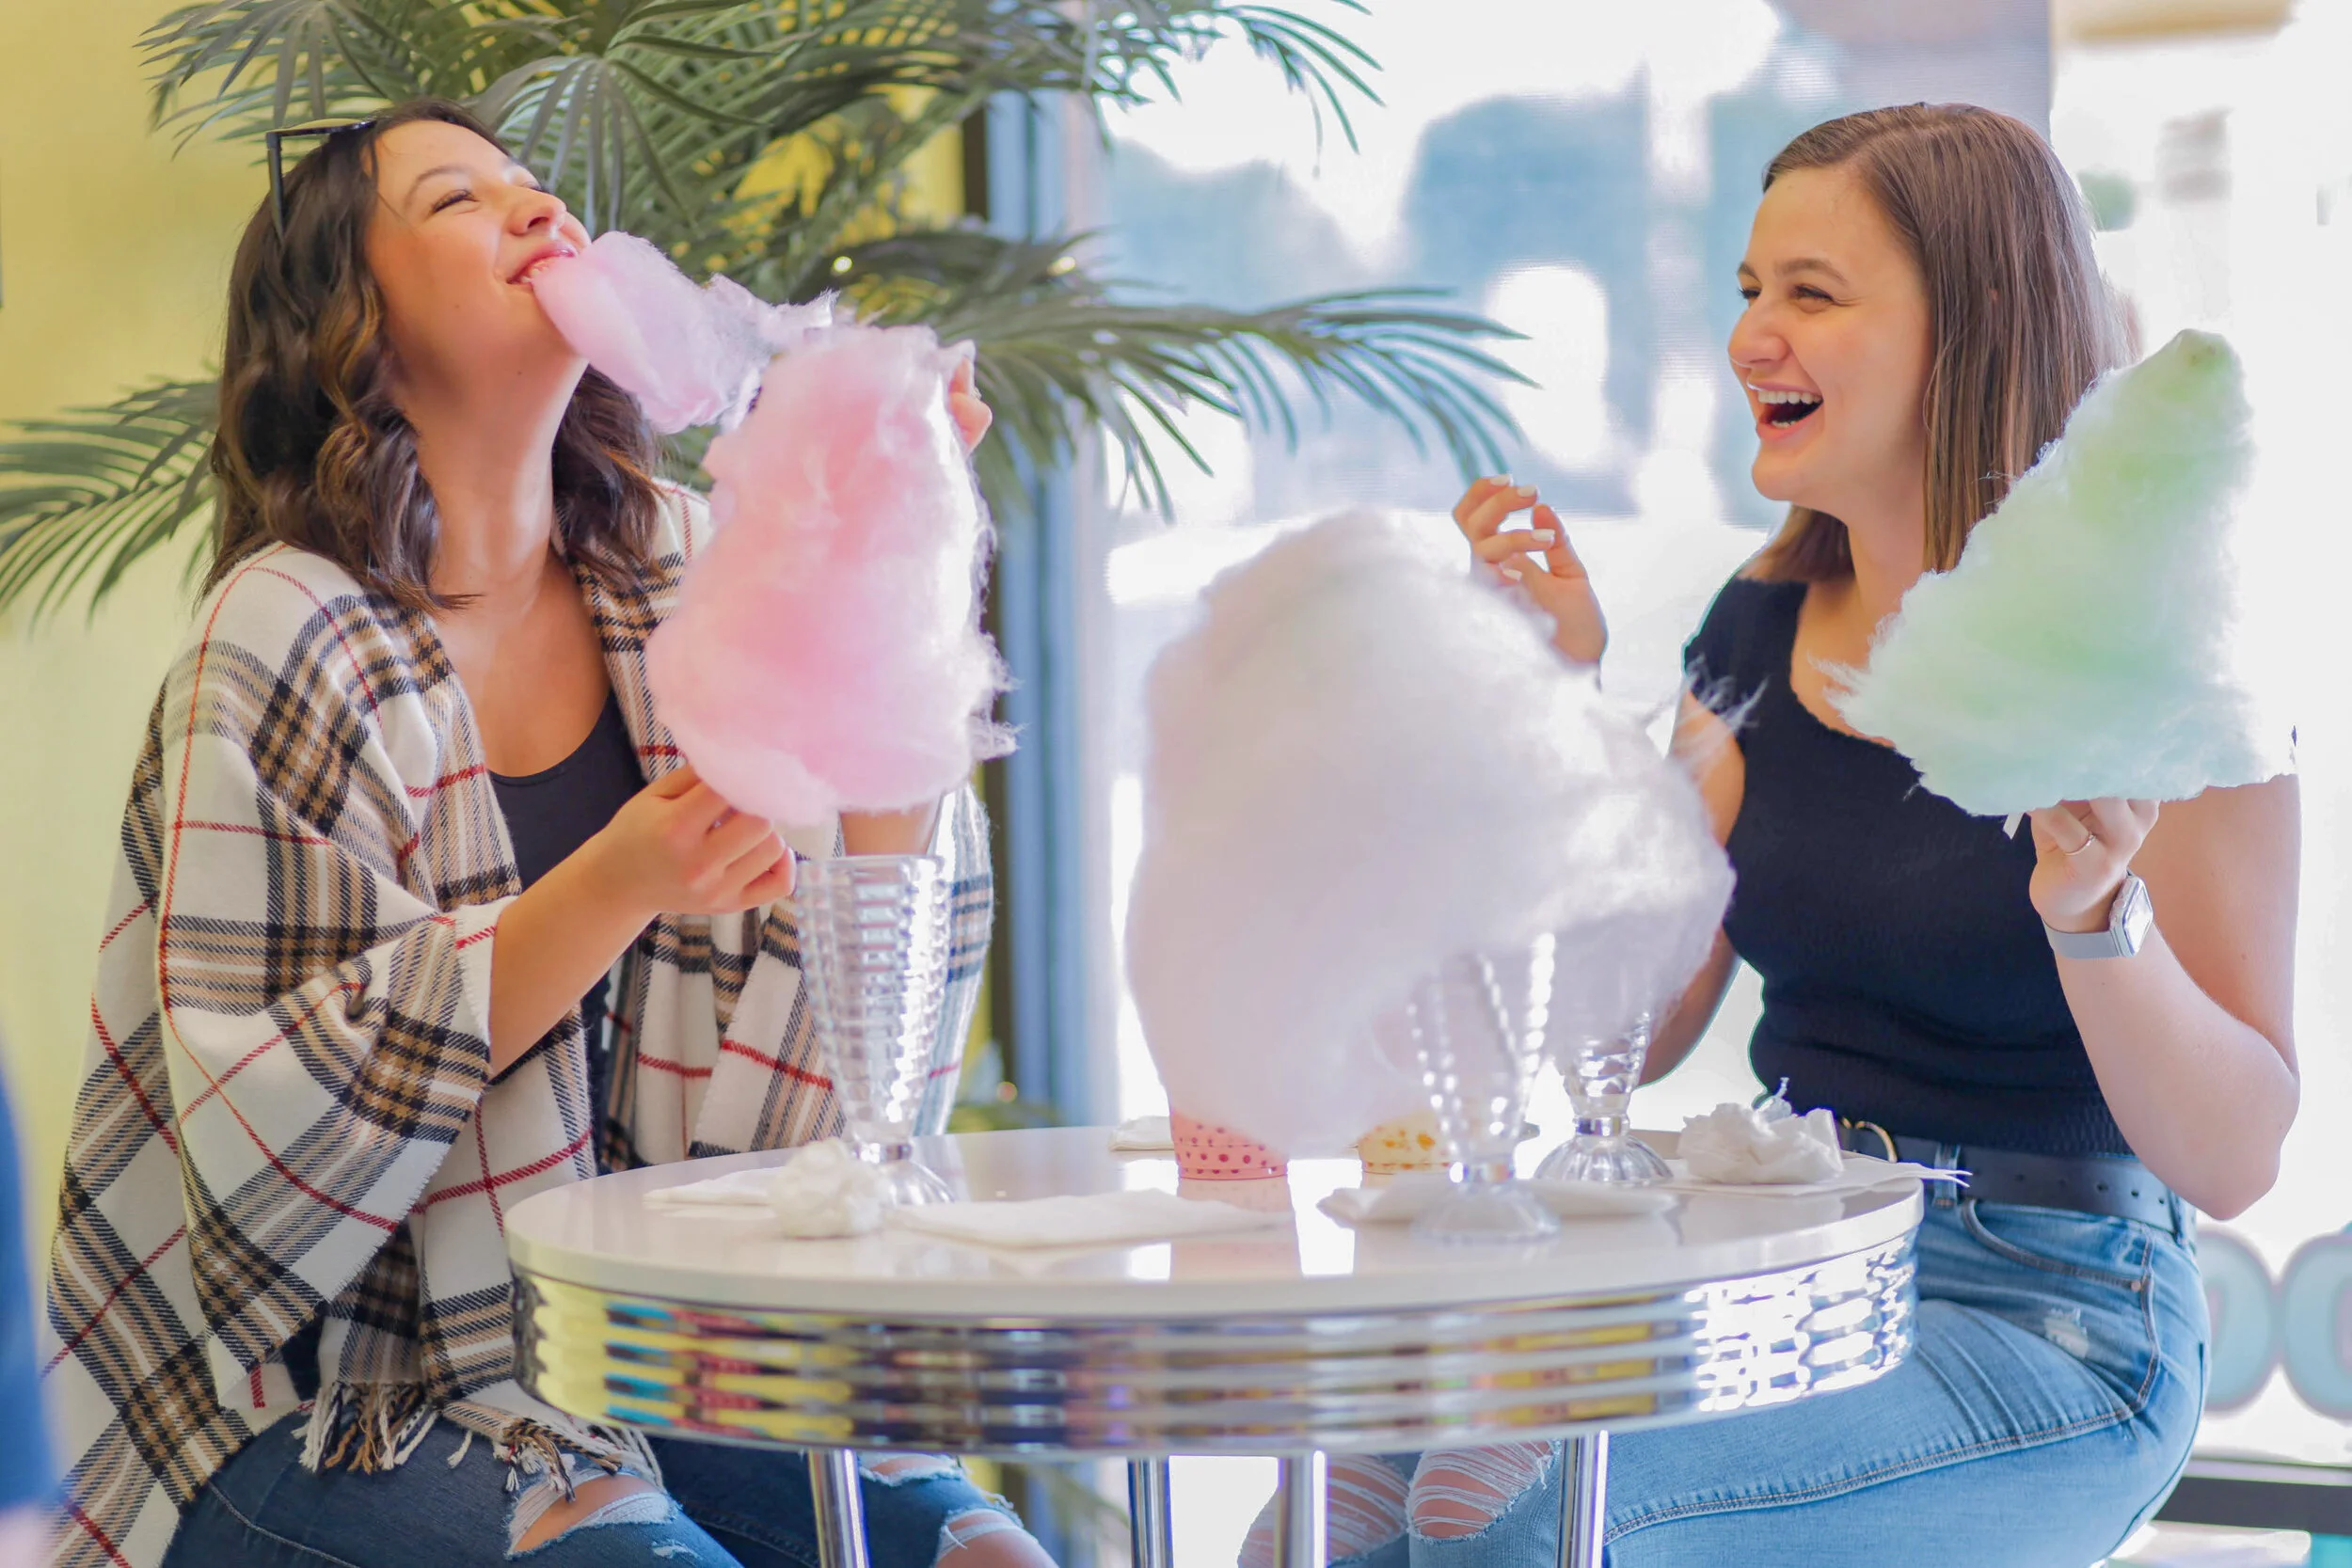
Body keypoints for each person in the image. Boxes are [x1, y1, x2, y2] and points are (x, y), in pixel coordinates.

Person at [1242, 103, 2298, 1568]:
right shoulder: (1759, 628)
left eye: (1811, 293)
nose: (1750, 338)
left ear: (1973, 324)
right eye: (1749, 290)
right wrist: (1545, 706)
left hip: (2055, 1316)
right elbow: (1640, 1022)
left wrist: (2093, 906)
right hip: (1777, 1256)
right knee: (1333, 1502)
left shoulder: (2160, 670)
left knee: (1530, 1519)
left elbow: (2238, 1153)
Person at [40, 100, 1053, 1568]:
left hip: (636, 1347)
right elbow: (268, 1173)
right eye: (459, 199)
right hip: (300, 1396)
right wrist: (625, 878)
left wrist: (895, 556)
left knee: (979, 1555)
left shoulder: (683, 578)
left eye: (535, 188)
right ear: (352, 327)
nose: (538, 213)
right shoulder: (281, 632)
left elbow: (818, 1092)